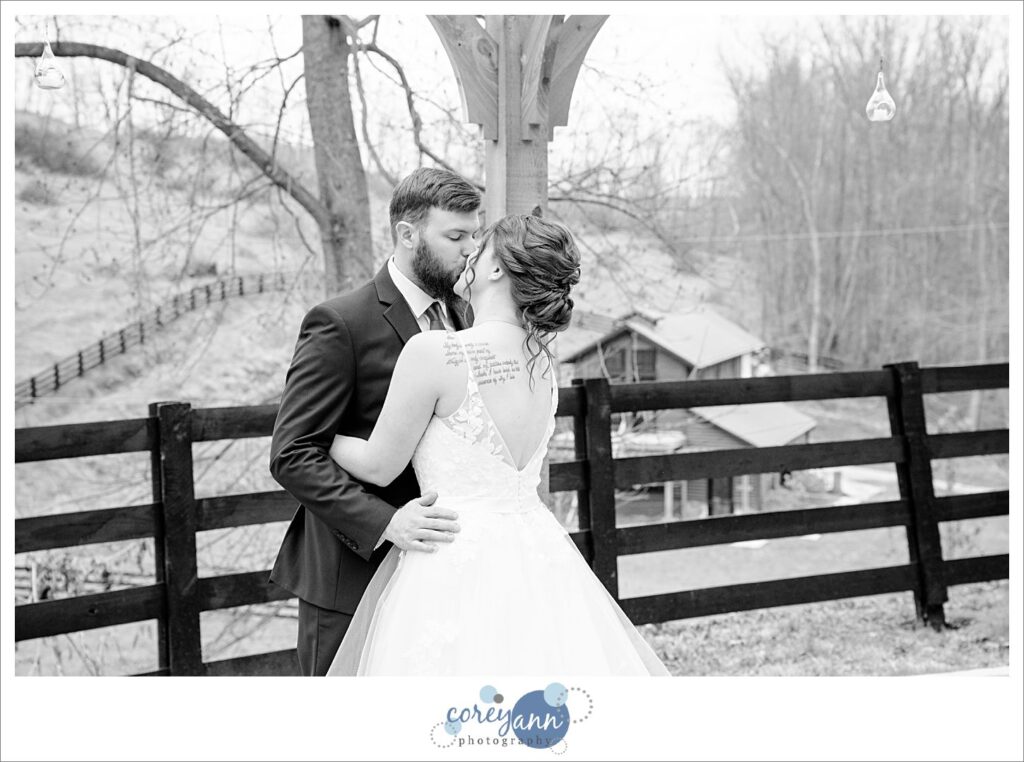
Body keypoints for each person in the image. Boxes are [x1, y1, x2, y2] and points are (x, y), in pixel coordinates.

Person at [325, 214, 670, 676]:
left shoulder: (437, 352)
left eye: (479, 245)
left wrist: (321, 434)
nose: (469, 251)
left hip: (454, 559)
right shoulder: (545, 366)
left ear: (494, 270)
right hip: (534, 555)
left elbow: (378, 465)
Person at [269, 167, 482, 676]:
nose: (471, 248)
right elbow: (292, 453)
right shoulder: (341, 322)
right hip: (349, 576)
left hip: (440, 571)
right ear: (407, 235)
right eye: (456, 236)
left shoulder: (467, 319)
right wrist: (387, 523)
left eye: (475, 234)